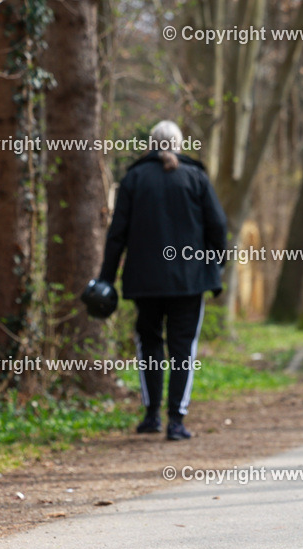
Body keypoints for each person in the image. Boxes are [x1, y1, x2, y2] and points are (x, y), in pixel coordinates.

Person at [98, 120, 227, 441]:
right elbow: (218, 226)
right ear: (179, 145)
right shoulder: (195, 178)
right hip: (189, 282)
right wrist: (214, 265)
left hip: (146, 282)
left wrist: (105, 280)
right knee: (184, 349)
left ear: (151, 145)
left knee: (150, 344)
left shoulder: (135, 179)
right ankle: (176, 421)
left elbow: (117, 235)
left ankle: (151, 415)